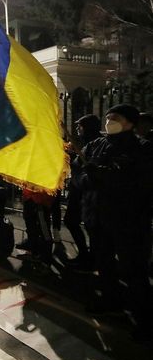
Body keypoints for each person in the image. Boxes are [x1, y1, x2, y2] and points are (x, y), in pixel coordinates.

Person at [80, 104, 152, 341]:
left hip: (128, 221)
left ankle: (143, 318)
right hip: (98, 218)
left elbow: (140, 185)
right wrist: (88, 177)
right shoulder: (96, 145)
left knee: (134, 270)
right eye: (108, 117)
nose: (109, 121)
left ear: (130, 123)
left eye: (115, 118)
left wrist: (106, 176)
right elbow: (78, 177)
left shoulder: (142, 149)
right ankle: (111, 302)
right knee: (104, 263)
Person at [63, 114, 101, 270]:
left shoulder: (97, 144)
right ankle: (87, 255)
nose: (78, 129)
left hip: (86, 194)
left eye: (80, 126)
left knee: (90, 226)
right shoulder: (86, 143)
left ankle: (91, 258)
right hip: (78, 190)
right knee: (72, 221)